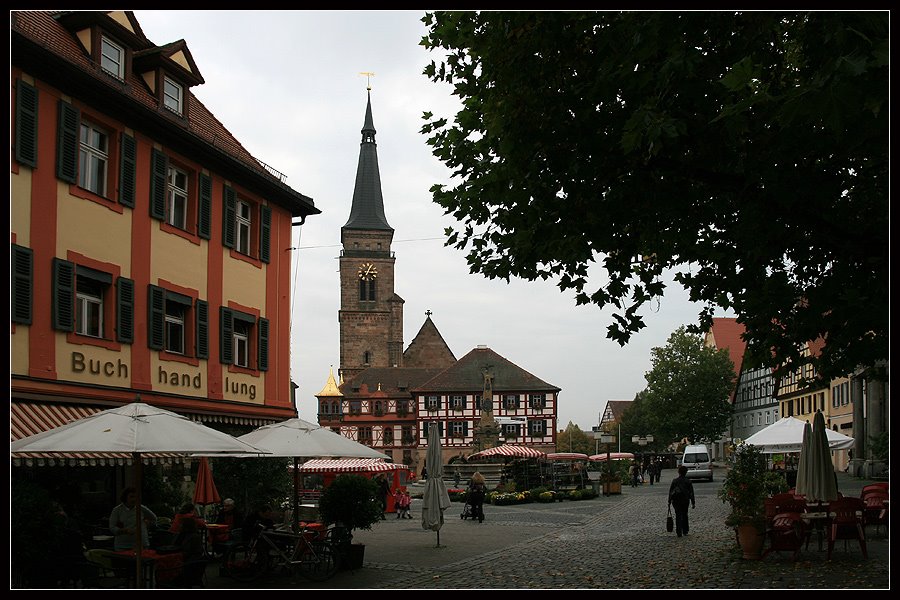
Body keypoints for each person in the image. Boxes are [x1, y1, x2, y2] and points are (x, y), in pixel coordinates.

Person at [668, 465, 696, 537]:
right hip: (685, 500)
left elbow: (671, 491)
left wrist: (669, 501)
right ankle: (685, 530)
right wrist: (693, 502)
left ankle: (678, 531)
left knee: (678, 515)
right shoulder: (688, 481)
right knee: (684, 514)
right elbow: (691, 493)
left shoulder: (675, 481)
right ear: (686, 472)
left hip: (676, 500)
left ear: (678, 472)